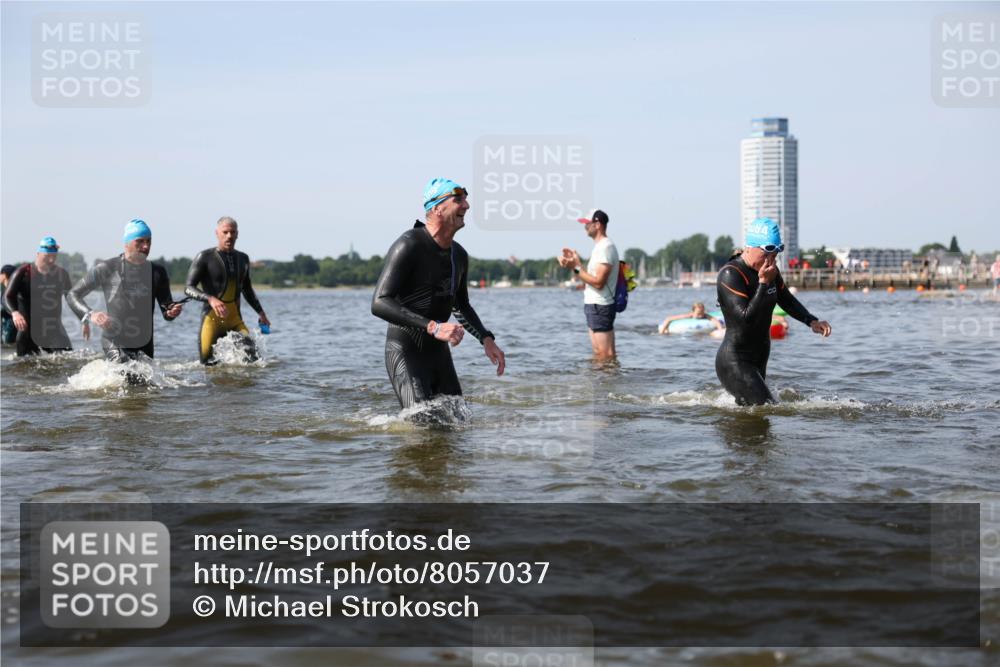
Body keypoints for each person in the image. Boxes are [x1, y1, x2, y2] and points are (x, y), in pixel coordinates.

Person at [371, 178, 505, 409]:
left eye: (466, 199)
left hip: (438, 354)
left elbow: (460, 305)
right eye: (458, 199)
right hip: (405, 351)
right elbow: (380, 302)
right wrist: (433, 327)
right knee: (421, 421)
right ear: (436, 208)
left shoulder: (459, 255)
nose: (467, 206)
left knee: (458, 424)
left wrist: (486, 338)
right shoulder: (409, 245)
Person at [715, 218, 831, 406]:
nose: (770, 260)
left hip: (759, 357)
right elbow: (745, 319)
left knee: (759, 425)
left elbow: (786, 299)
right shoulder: (731, 274)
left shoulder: (771, 271)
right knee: (768, 407)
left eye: (775, 253)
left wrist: (811, 321)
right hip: (735, 360)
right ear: (749, 247)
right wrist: (763, 284)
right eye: (766, 253)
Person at [67, 220, 183, 363]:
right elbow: (73, 294)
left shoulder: (157, 271)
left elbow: (167, 310)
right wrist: (91, 314)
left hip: (145, 344)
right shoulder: (107, 268)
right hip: (114, 340)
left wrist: (172, 311)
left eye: (149, 241)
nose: (146, 246)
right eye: (139, 241)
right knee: (123, 368)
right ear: (126, 243)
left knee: (142, 383)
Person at [184, 216, 270, 364]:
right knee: (206, 365)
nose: (229, 236)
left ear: (237, 234)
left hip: (234, 320)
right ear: (217, 233)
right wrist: (210, 299)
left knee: (253, 358)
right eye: (225, 232)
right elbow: (188, 288)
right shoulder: (205, 257)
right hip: (211, 320)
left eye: (232, 232)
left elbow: (247, 289)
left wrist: (261, 313)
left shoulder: (243, 259)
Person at [558, 209, 620, 360]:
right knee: (602, 354)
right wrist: (576, 263)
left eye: (587, 223)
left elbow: (598, 282)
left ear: (597, 224)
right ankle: (604, 382)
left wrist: (575, 268)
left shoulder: (605, 247)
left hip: (600, 306)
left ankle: (606, 383)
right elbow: (592, 278)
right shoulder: (601, 247)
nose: (585, 227)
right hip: (596, 306)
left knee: (604, 355)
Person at [2, 238, 75, 356]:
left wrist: (85, 317)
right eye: (47, 256)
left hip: (53, 329)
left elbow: (73, 299)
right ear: (38, 254)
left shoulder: (61, 274)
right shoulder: (23, 272)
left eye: (53, 256)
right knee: (24, 366)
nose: (51, 260)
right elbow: (7, 297)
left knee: (68, 362)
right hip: (27, 331)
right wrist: (15, 313)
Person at [658, 302, 723, 334]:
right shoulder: (689, 316)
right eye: (698, 314)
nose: (700, 315)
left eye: (702, 312)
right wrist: (662, 332)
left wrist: (720, 330)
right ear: (693, 312)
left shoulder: (705, 316)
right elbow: (669, 319)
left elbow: (716, 321)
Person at [1, 264, 18, 345]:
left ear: (4, 275)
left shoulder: (9, 292)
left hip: (11, 328)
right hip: (7, 327)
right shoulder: (7, 291)